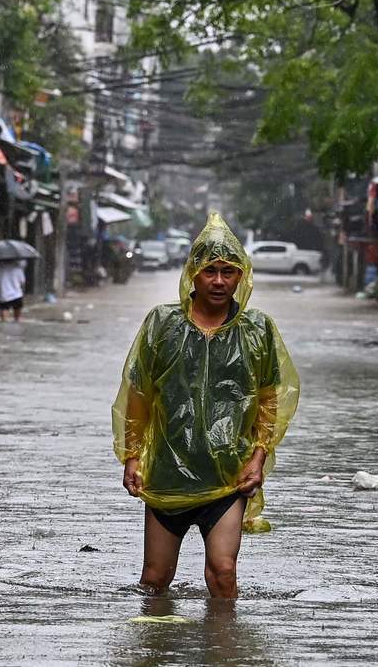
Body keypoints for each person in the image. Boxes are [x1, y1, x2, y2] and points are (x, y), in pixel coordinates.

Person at [113, 213, 300, 599]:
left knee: (223, 572)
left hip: (228, 476)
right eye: (210, 270)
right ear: (192, 274)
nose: (218, 281)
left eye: (228, 272)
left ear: (241, 277)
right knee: (154, 579)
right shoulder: (162, 324)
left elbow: (269, 400)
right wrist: (133, 456)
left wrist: (258, 457)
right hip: (167, 473)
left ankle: (224, 650)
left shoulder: (257, 329)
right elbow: (138, 393)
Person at [0, 258, 27, 322]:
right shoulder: (18, 268)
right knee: (17, 319)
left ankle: (4, 327)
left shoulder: (0, 268)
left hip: (4, 294)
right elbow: (22, 282)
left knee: (4, 319)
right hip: (17, 294)